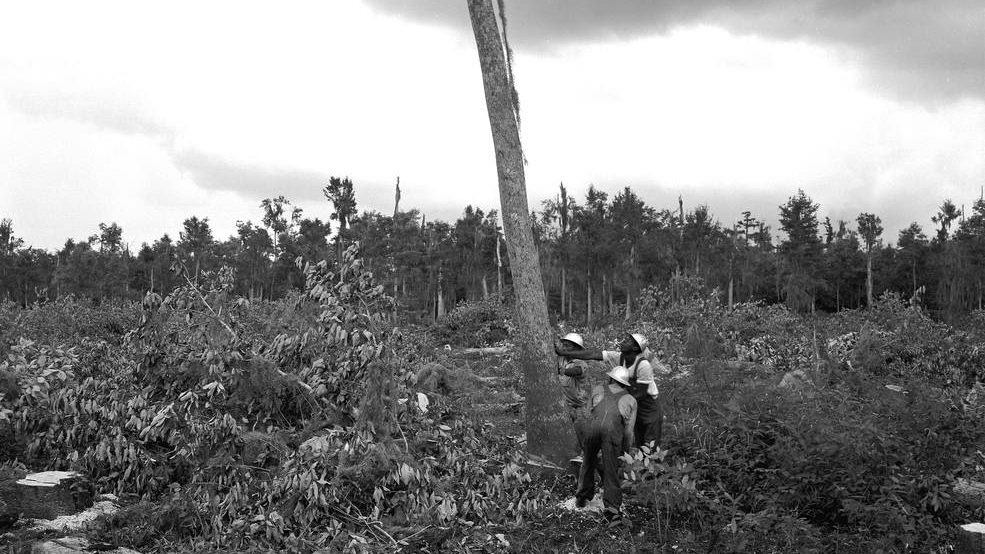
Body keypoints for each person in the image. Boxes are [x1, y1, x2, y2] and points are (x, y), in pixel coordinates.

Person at [557, 332, 664, 448]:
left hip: (648, 407)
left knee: (650, 440)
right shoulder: (619, 357)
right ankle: (629, 461)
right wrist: (563, 353)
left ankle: (651, 463)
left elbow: (641, 394)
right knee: (639, 438)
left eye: (628, 341)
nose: (624, 341)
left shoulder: (643, 366)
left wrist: (617, 401)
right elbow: (592, 354)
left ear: (635, 348)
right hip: (632, 401)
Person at [575, 365, 636, 517]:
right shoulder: (631, 400)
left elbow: (588, 413)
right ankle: (611, 509)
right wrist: (625, 451)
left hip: (592, 428)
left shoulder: (597, 390)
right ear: (625, 383)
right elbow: (628, 432)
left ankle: (582, 498)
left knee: (588, 462)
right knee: (611, 469)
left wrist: (586, 438)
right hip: (612, 433)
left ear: (610, 378)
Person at [557, 333, 590, 460]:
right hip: (566, 403)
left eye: (568, 346)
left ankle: (584, 456)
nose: (564, 348)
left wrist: (562, 371)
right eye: (563, 345)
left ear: (577, 349)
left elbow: (577, 371)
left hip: (580, 405)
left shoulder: (580, 363)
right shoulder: (562, 359)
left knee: (580, 430)